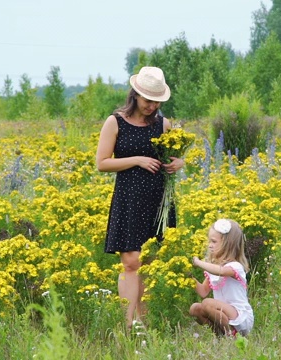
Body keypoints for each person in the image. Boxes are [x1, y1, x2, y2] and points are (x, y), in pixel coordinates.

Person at [96, 66, 184, 330]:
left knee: (151, 262)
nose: (152, 106)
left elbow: (172, 156)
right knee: (131, 261)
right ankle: (128, 324)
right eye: (148, 100)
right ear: (135, 95)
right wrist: (137, 160)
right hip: (129, 198)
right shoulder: (116, 122)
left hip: (157, 199)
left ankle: (144, 324)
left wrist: (178, 162)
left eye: (157, 101)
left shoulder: (163, 124)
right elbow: (102, 163)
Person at [189, 219, 254, 337]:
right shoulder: (214, 269)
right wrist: (187, 277)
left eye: (213, 241)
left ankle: (232, 335)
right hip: (222, 313)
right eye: (209, 241)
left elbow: (221, 272)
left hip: (239, 315)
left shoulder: (235, 266)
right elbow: (203, 291)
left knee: (207, 303)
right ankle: (220, 334)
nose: (209, 245)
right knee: (195, 308)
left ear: (228, 244)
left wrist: (198, 263)